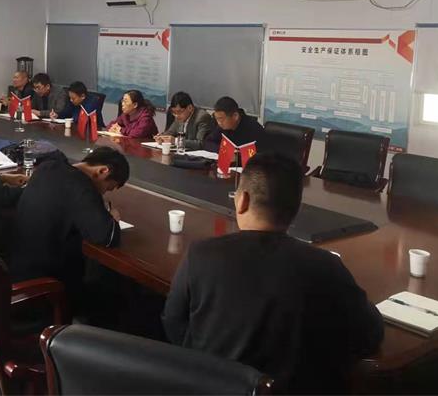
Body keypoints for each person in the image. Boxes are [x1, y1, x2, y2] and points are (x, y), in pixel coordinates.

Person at [162, 152, 383, 394]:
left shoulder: (202, 254)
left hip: (212, 387)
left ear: (242, 200)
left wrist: (202, 358)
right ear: (296, 208)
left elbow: (172, 320)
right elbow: (369, 334)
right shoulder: (326, 266)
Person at [9, 147, 128, 302]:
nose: (103, 193)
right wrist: (112, 217)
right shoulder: (82, 186)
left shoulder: (47, 168)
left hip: (18, 269)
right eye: (108, 188)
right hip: (49, 285)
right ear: (103, 171)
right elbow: (108, 237)